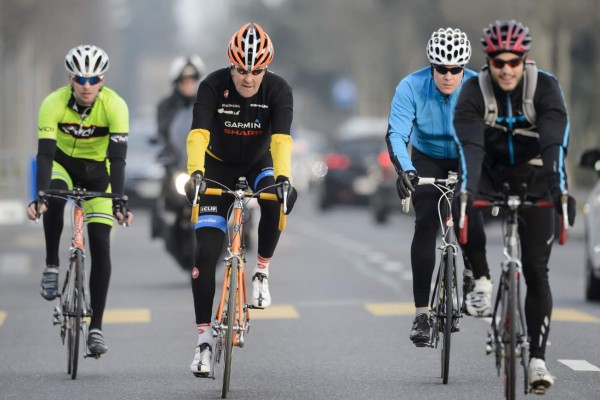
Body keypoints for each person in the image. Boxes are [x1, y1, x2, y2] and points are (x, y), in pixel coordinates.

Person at [453, 20, 576, 392]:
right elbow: (470, 150)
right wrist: (467, 194)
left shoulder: (546, 88)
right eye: (498, 62)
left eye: (514, 61)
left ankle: (537, 360)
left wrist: (559, 194)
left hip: (537, 174)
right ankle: (483, 280)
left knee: (537, 271)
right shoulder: (473, 91)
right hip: (490, 173)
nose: (506, 69)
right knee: (461, 201)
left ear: (524, 60)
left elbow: (555, 145)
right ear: (488, 61)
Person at [184, 22, 297, 377]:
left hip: (259, 163)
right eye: (241, 70)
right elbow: (199, 133)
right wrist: (195, 174)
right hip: (217, 167)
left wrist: (283, 179)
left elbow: (281, 140)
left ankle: (261, 271)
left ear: (267, 68)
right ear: (230, 66)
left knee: (275, 200)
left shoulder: (279, 90)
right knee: (204, 252)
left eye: (257, 71)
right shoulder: (212, 86)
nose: (249, 78)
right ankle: (203, 342)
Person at [26, 44, 133, 356]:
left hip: (99, 172)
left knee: (101, 242)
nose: (87, 86)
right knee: (54, 198)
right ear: (70, 79)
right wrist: (40, 195)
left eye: (93, 79)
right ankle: (50, 266)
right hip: (62, 165)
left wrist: (118, 201)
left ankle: (96, 328)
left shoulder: (116, 106)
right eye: (81, 79)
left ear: (103, 80)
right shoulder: (53, 103)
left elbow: (119, 160)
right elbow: (45, 155)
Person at [385, 28, 476, 347]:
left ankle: (473, 273)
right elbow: (396, 134)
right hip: (427, 157)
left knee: (470, 213)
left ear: (464, 68)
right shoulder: (410, 86)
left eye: (455, 70)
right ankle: (422, 313)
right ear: (432, 67)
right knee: (425, 222)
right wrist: (406, 171)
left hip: (468, 153)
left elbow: (492, 135)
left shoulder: (479, 87)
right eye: (441, 69)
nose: (448, 76)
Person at [157, 55, 206, 144]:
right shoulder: (166, 106)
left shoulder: (206, 105)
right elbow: (163, 135)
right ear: (177, 82)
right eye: (185, 81)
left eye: (193, 81)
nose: (189, 85)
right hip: (175, 155)